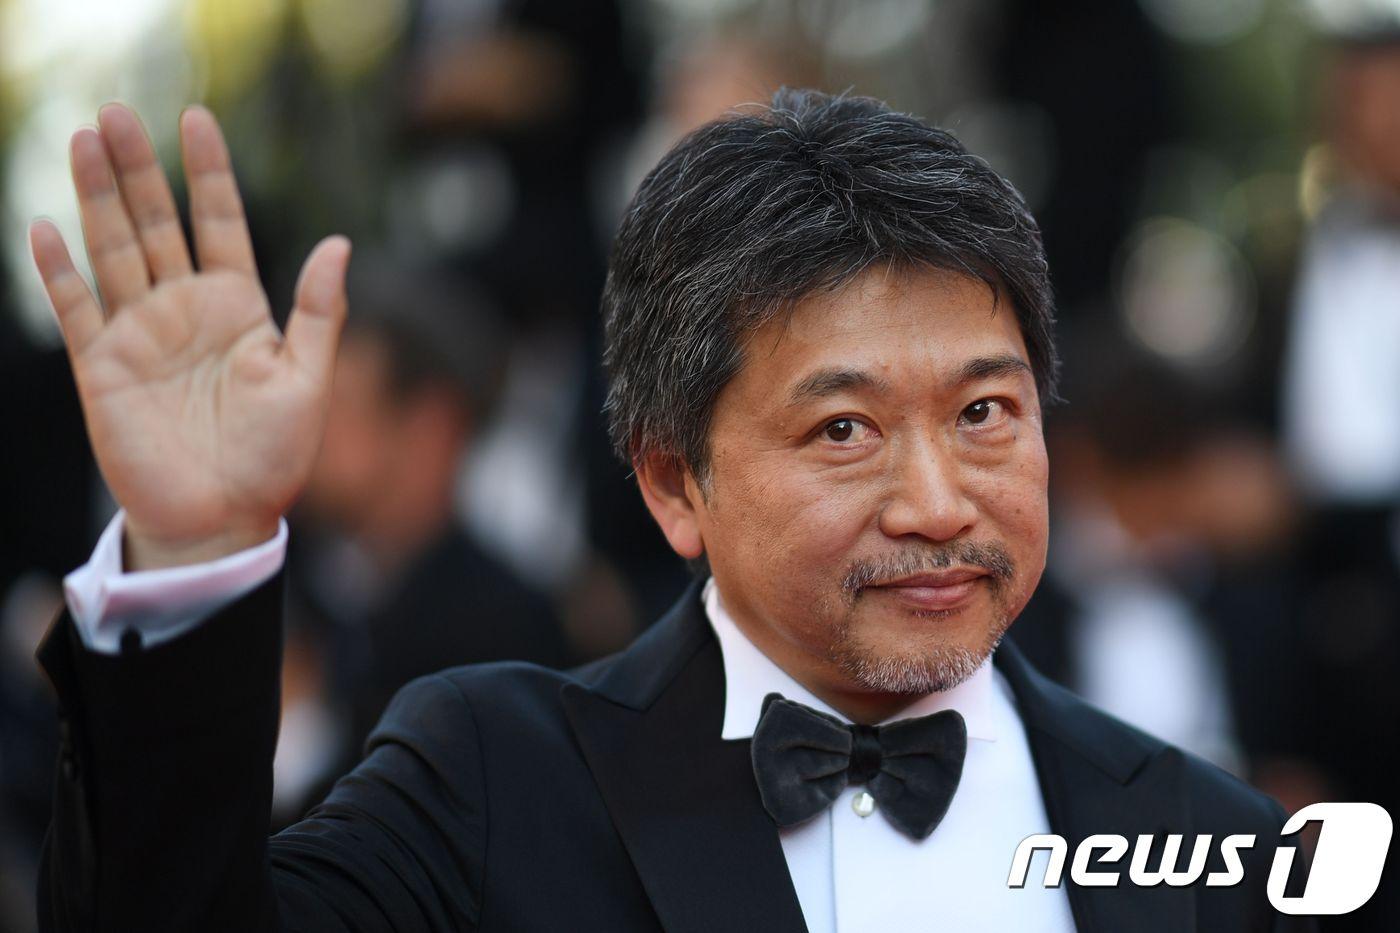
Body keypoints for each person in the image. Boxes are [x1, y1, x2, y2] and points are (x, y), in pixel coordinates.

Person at [30, 92, 1312, 931]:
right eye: (843, 431)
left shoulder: (1213, 845)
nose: (936, 502)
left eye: (984, 413)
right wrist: (194, 546)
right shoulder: (495, 780)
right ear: (668, 481)